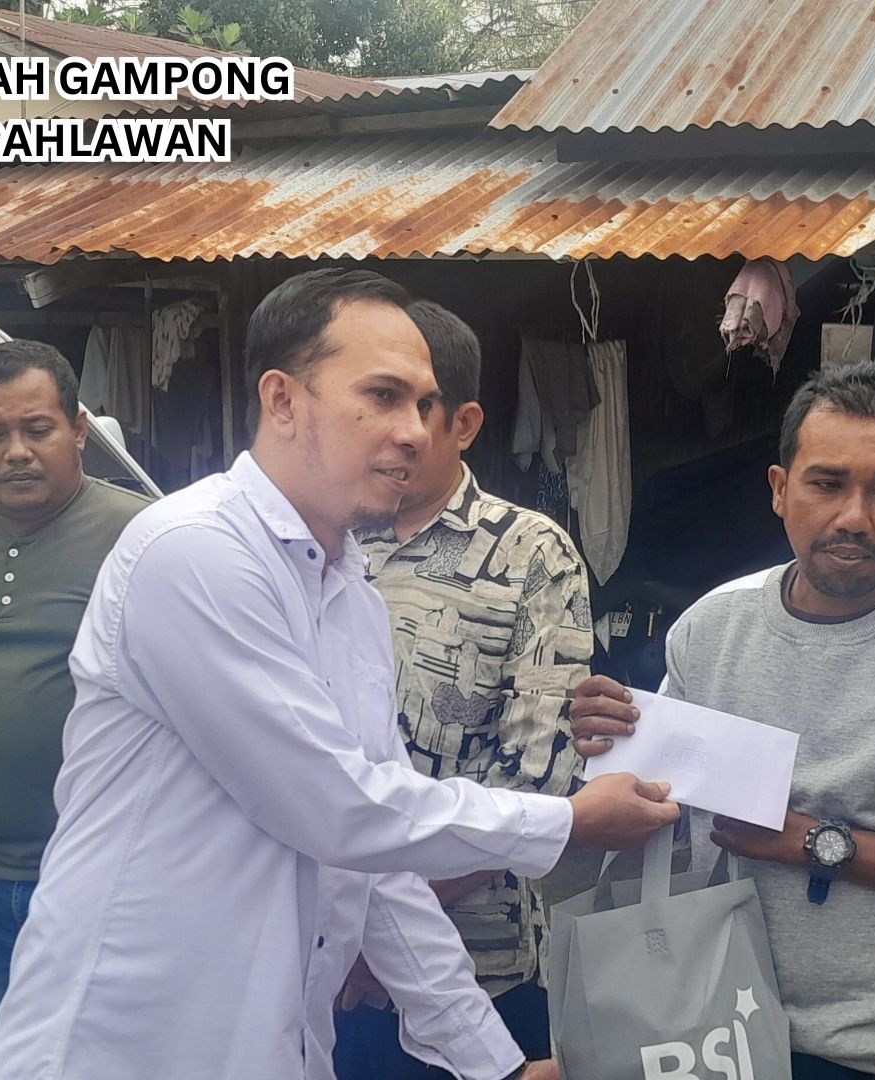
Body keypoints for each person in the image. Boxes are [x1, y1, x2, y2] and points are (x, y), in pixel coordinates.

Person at [0, 268, 679, 1080]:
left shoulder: (348, 596)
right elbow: (339, 809)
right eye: (381, 396)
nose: (412, 431)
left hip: (275, 1045)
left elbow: (375, 869)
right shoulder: (195, 552)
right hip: (127, 1043)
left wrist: (495, 1065)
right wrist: (567, 821)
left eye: (424, 404)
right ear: (282, 400)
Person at [571, 360, 875, 1080]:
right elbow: (668, 809)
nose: (855, 517)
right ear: (779, 489)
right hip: (709, 1029)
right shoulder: (711, 628)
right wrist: (611, 747)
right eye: (827, 483)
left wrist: (811, 842)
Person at [336, 301, 592, 1077]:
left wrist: (382, 943)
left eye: (412, 406)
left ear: (466, 423)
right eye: (370, 403)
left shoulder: (531, 554)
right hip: (321, 973)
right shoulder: (327, 541)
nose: (388, 432)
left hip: (478, 966)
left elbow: (536, 780)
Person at [0, 339, 151, 1028]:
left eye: (38, 428)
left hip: (119, 877)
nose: (17, 451)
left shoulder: (145, 537)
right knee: (17, 1058)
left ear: (78, 429)